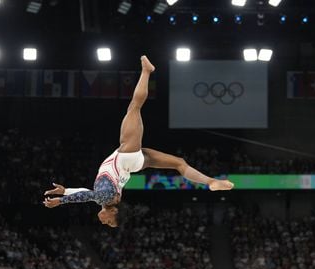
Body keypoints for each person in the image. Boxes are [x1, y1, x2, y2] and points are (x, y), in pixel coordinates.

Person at [43, 56, 234, 227]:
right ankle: (147, 71)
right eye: (110, 223)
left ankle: (210, 182)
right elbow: (88, 195)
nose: (105, 223)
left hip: (134, 163)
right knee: (134, 107)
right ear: (114, 212)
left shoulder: (106, 199)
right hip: (127, 156)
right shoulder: (106, 197)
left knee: (179, 163)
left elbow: (88, 193)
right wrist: (61, 201)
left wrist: (66, 191)